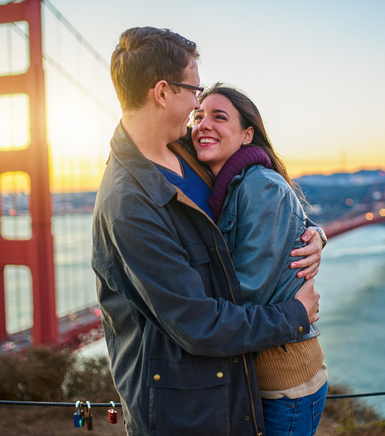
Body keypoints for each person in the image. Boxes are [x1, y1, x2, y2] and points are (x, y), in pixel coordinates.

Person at [92, 27, 324, 435]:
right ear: (162, 92)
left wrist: (312, 235)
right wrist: (295, 315)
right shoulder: (128, 204)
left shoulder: (187, 153)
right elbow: (198, 324)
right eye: (193, 91)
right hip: (187, 408)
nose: (198, 105)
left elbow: (262, 200)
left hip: (234, 385)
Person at [190, 83, 328, 435]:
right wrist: (317, 232)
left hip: (283, 379)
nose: (203, 124)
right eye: (197, 116)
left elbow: (249, 291)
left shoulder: (259, 186)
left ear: (247, 134)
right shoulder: (224, 186)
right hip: (257, 375)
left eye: (219, 117)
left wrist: (177, 300)